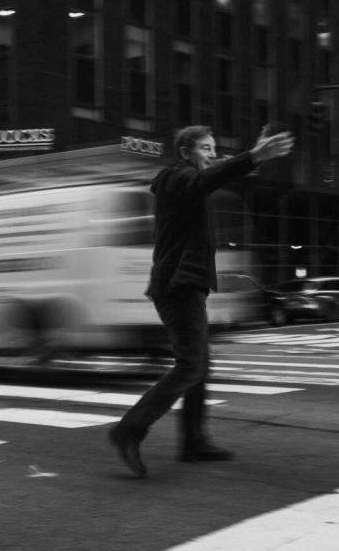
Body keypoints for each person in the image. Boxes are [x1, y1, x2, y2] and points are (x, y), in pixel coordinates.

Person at [108, 125, 295, 477]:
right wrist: (254, 156)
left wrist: (252, 157)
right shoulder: (174, 179)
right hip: (177, 285)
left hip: (187, 285)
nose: (211, 153)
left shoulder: (191, 178)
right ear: (184, 151)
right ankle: (128, 431)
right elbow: (205, 178)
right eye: (205, 148)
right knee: (190, 366)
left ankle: (193, 441)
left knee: (198, 366)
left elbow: (215, 170)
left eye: (213, 147)